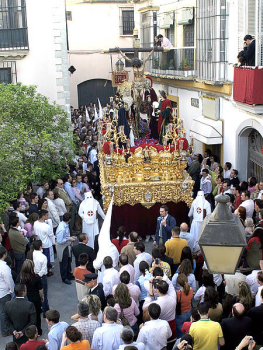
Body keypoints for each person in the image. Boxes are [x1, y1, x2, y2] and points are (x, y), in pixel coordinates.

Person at [143, 279, 177, 344]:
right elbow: (170, 284)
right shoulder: (173, 297)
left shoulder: (156, 304)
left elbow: (144, 307)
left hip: (161, 330)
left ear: (157, 291)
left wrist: (150, 295)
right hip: (172, 328)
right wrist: (162, 277)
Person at [17, 259, 44, 335]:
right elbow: (40, 289)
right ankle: (38, 331)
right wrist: (42, 296)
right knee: (37, 315)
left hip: (24, 299)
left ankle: (28, 331)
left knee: (27, 316)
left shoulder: (20, 277)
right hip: (35, 299)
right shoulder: (36, 277)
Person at [56, 212, 76, 285]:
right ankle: (64, 277)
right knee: (64, 262)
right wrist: (69, 239)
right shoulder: (62, 228)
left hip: (67, 246)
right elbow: (60, 240)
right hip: (63, 247)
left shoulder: (65, 225)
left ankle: (69, 275)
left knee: (68, 260)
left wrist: (69, 238)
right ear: (70, 219)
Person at [31, 240, 49, 318]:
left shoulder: (31, 254)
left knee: (35, 293)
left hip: (33, 275)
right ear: (40, 247)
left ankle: (38, 309)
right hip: (41, 277)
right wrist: (39, 275)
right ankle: (46, 312)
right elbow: (44, 270)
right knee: (44, 295)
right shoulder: (43, 257)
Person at [0, 246, 14, 337]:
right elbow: (9, 280)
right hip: (4, 292)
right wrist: (12, 290)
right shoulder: (4, 267)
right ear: (4, 255)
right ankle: (6, 330)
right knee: (4, 311)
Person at [175, 274, 193, 339]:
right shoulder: (190, 290)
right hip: (189, 312)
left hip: (180, 314)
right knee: (188, 330)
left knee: (180, 333)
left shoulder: (177, 293)